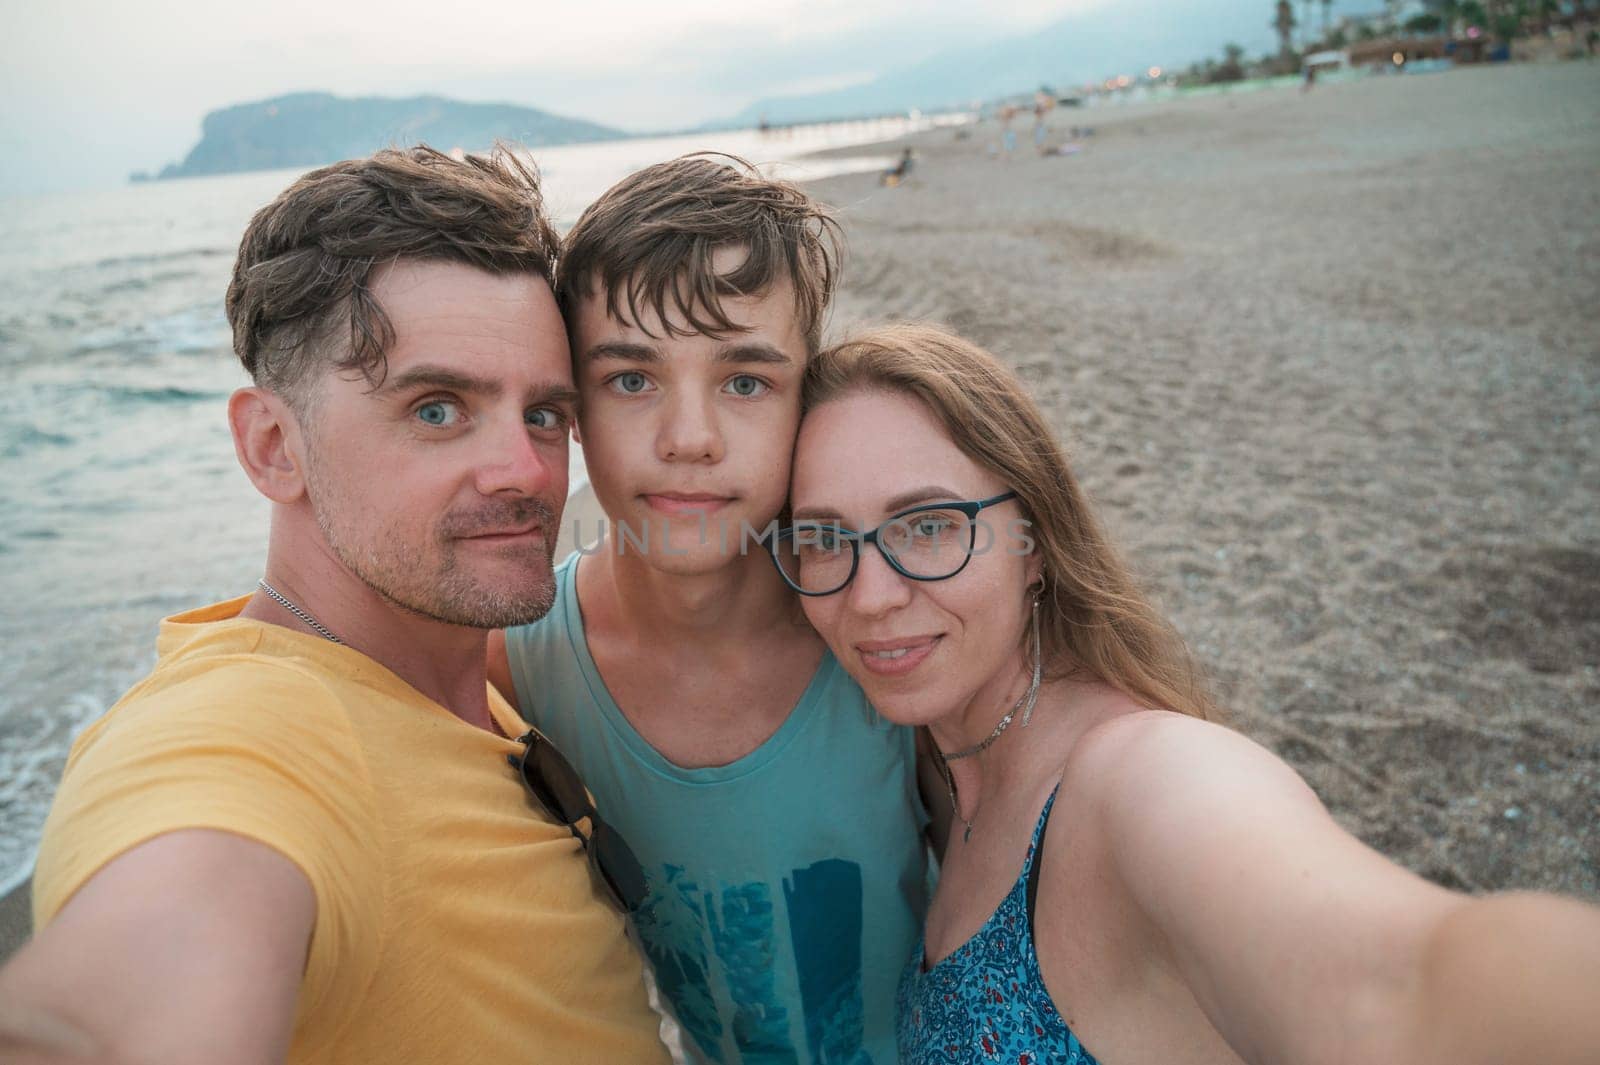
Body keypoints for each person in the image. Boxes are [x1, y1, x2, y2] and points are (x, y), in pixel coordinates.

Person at [0, 147, 670, 1065]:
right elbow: (121, 995)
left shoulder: (451, 672)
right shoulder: (251, 734)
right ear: (274, 445)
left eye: (545, 414)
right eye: (437, 409)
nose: (527, 470)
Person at [774, 323, 1600, 1064]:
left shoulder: (1145, 776)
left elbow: (1400, 991)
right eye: (822, 537)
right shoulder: (939, 761)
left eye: (928, 526)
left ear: (1035, 543)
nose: (870, 594)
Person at [488, 154, 931, 1065]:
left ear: (807, 398)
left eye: (744, 382)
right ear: (573, 408)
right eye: (632, 379)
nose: (689, 440)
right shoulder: (520, 666)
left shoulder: (880, 626)